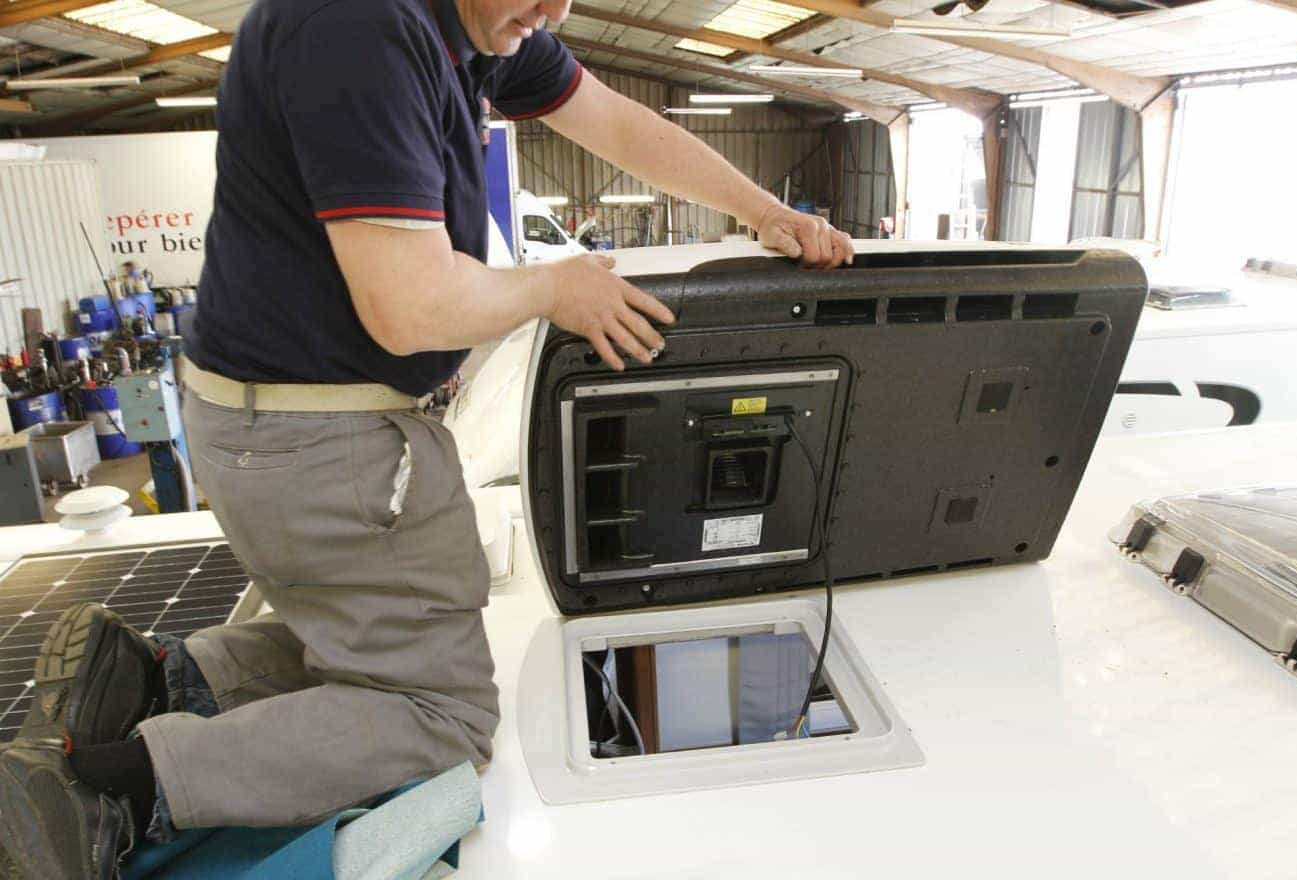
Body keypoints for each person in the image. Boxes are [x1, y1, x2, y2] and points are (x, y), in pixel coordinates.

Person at [0, 0, 854, 875]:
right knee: (440, 709)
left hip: (281, 420)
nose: (550, 10)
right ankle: (107, 790)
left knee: (374, 629)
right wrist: (554, 288)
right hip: (315, 438)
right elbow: (409, 306)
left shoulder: (470, 24)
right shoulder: (358, 27)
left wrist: (763, 212)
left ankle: (164, 682)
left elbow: (609, 116)